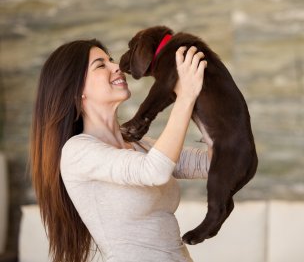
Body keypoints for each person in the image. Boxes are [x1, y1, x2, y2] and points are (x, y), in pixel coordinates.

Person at [30, 39, 211, 262]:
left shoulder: (140, 145)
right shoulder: (77, 152)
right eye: (100, 65)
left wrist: (214, 104)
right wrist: (184, 97)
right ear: (77, 90)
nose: (116, 66)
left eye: (111, 60)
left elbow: (211, 164)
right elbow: (154, 171)